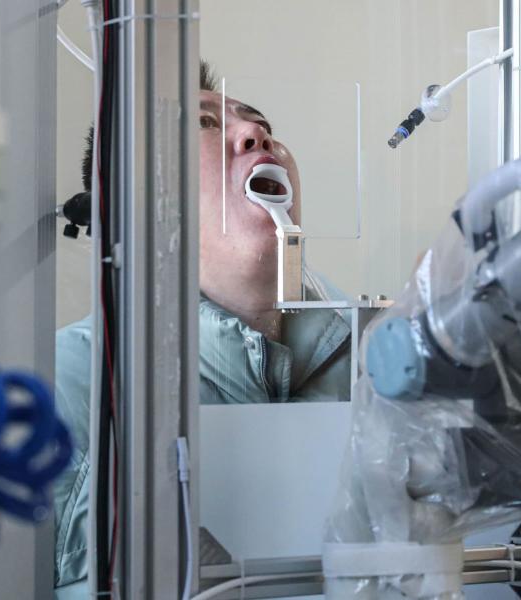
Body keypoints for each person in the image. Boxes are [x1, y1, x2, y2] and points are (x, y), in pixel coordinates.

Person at [51, 61, 352, 595]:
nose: (258, 135)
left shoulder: (379, 360)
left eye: (261, 125)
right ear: (132, 198)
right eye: (206, 123)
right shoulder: (67, 386)